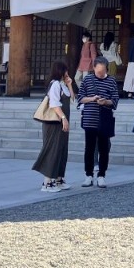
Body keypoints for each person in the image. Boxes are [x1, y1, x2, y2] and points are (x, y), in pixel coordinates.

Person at [32, 61, 74, 192]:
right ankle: (47, 182)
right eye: (65, 70)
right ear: (60, 71)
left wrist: (70, 84)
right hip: (54, 122)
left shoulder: (63, 84)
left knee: (62, 150)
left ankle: (59, 178)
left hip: (61, 121)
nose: (67, 73)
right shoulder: (55, 84)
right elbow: (54, 104)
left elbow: (72, 98)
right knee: (53, 150)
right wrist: (63, 118)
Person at [77, 56, 119, 188]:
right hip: (90, 118)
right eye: (98, 71)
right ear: (94, 68)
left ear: (106, 68)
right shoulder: (88, 79)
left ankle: (101, 175)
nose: (100, 74)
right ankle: (88, 175)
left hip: (104, 119)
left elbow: (115, 100)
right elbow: (80, 98)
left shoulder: (111, 81)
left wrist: (105, 102)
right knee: (89, 149)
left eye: (102, 71)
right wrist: (92, 99)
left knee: (104, 149)